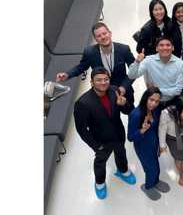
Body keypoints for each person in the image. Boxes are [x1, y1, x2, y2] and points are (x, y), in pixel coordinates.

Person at [73, 67, 136, 200]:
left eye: (106, 79)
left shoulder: (114, 90)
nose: (103, 82)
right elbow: (81, 130)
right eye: (99, 80)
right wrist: (96, 146)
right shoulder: (82, 103)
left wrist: (123, 104)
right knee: (100, 162)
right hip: (101, 141)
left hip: (118, 134)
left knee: (121, 153)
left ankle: (122, 170)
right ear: (91, 82)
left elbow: (127, 110)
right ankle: (100, 183)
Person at [56, 22, 136, 105]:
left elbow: (135, 70)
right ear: (95, 39)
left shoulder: (124, 49)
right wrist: (67, 74)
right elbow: (81, 67)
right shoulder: (89, 52)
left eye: (104, 33)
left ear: (110, 33)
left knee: (129, 110)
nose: (103, 37)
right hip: (102, 92)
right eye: (99, 36)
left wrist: (124, 87)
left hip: (124, 91)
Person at [127, 87, 171, 200]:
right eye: (151, 100)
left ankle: (155, 181)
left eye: (156, 101)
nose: (153, 103)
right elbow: (130, 137)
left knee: (156, 166)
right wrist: (142, 130)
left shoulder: (155, 110)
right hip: (143, 148)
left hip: (154, 144)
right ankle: (148, 186)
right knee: (151, 169)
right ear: (145, 98)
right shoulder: (136, 114)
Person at [128, 36, 183, 109]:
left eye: (168, 45)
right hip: (153, 102)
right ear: (156, 48)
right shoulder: (148, 60)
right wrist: (137, 62)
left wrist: (157, 90)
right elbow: (131, 76)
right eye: (161, 45)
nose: (165, 48)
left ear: (173, 48)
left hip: (172, 101)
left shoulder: (180, 64)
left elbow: (178, 90)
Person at [159, 96, 183, 187]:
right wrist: (162, 145)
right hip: (172, 139)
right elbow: (162, 130)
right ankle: (181, 173)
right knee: (177, 157)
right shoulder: (166, 114)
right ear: (177, 109)